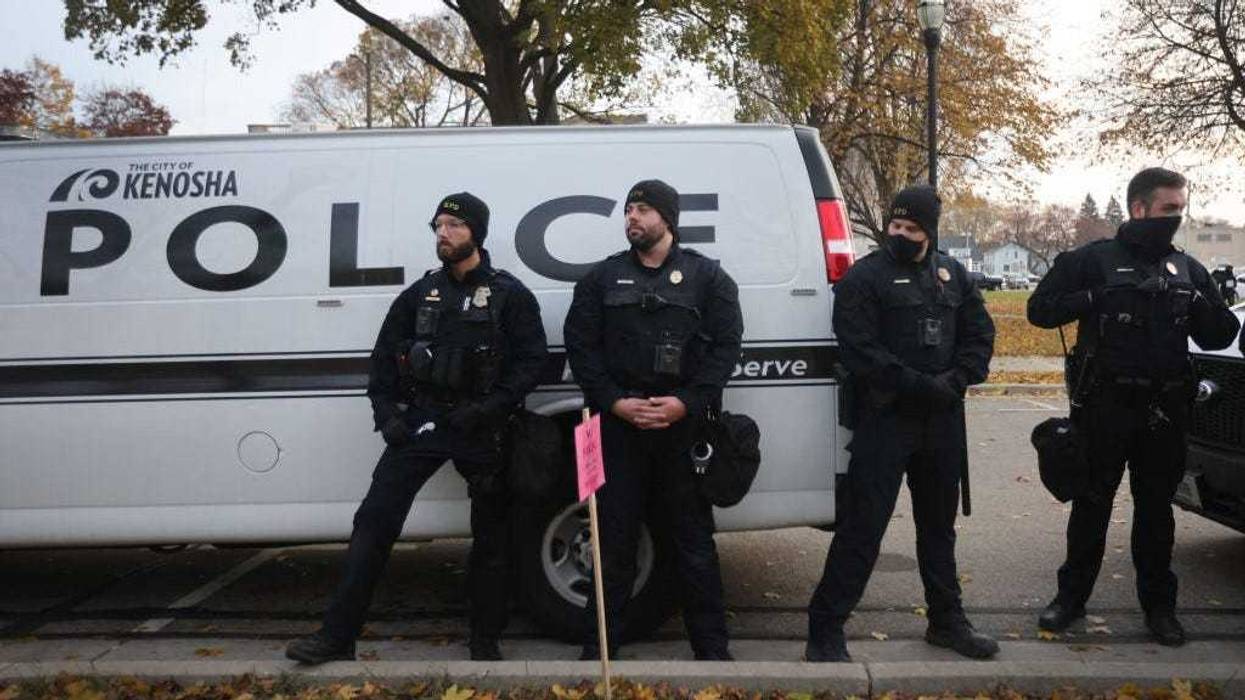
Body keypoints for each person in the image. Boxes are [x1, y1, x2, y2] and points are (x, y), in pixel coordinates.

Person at [286, 192, 548, 664]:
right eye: (438, 225)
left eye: (453, 225)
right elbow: (383, 360)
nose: (443, 233)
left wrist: (488, 409)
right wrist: (387, 416)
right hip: (425, 421)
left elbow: (532, 363)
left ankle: (485, 641)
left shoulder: (510, 295)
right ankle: (336, 637)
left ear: (476, 233)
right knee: (373, 523)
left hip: (483, 428)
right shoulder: (421, 293)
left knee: (492, 537)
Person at [1027, 168, 1240, 646]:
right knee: (1091, 507)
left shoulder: (1187, 269)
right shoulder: (1093, 260)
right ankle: (1070, 599)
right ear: (1139, 208)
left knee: (1156, 513)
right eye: (1169, 208)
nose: (1176, 217)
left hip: (1163, 410)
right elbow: (1039, 310)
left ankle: (1160, 609)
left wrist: (1202, 305)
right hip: (1104, 406)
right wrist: (1094, 298)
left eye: (1181, 209)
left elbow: (1220, 334)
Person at [806, 184, 998, 662]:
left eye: (912, 228)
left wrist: (957, 378)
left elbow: (980, 335)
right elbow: (858, 349)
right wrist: (917, 384)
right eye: (895, 225)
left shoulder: (953, 275)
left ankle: (947, 622)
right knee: (862, 528)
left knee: (938, 529)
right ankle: (825, 629)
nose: (901, 235)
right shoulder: (863, 277)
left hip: (942, 422)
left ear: (929, 231)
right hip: (885, 420)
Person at [563, 179, 743, 661]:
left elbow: (726, 349)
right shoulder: (602, 279)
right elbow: (581, 349)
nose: (632, 218)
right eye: (629, 210)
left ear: (668, 218)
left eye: (642, 209)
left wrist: (686, 402)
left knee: (693, 542)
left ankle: (713, 652)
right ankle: (600, 650)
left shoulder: (708, 278)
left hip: (681, 430)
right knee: (612, 540)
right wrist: (614, 402)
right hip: (617, 429)